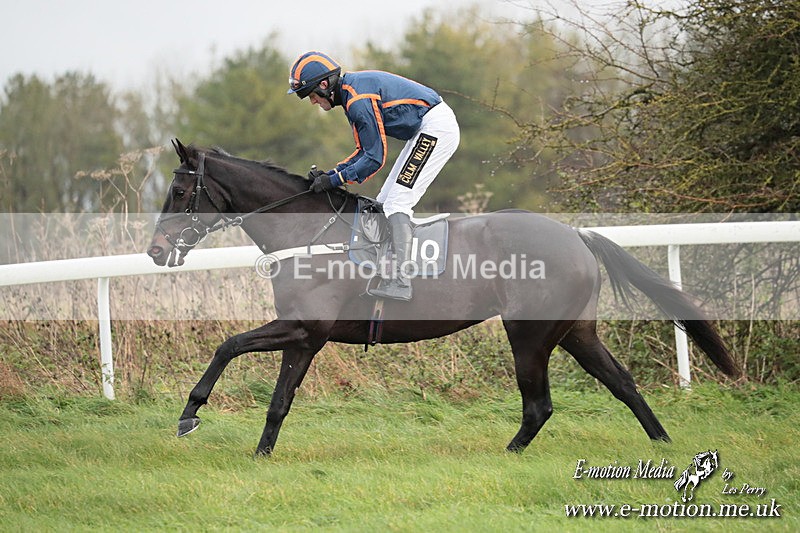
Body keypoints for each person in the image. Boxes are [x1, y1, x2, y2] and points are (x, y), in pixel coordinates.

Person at [288, 51, 460, 301]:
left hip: (436, 128)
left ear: (324, 85)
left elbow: (374, 159)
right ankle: (387, 269)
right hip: (426, 128)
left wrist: (335, 181)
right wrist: (332, 174)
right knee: (383, 202)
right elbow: (363, 151)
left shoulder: (357, 100)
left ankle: (401, 281)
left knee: (397, 203)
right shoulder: (351, 94)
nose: (312, 101)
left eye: (309, 94)